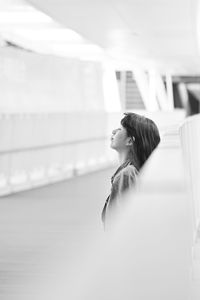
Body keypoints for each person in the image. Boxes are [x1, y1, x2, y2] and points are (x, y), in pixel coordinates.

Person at [102, 112, 161, 228]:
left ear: (129, 141)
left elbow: (117, 224)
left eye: (119, 129)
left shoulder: (126, 175)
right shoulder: (133, 171)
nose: (113, 131)